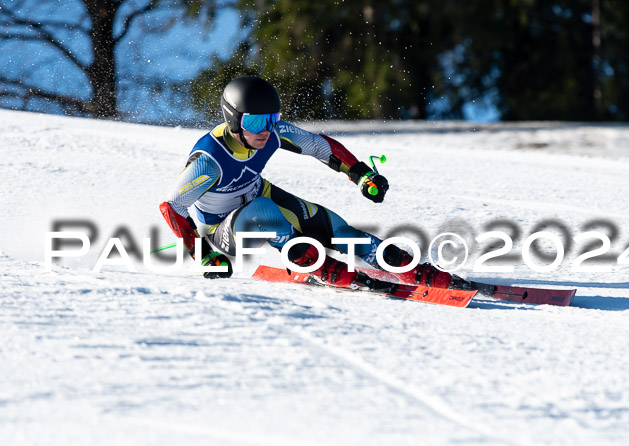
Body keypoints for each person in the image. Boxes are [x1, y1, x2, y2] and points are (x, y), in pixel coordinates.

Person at [159, 75, 472, 290]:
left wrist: (362, 175)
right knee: (264, 210)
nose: (265, 129)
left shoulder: (272, 133)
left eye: (272, 118)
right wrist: (204, 256)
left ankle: (409, 268)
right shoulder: (209, 160)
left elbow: (322, 147)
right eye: (255, 121)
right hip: (223, 231)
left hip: (259, 196)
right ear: (233, 120)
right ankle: (320, 267)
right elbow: (172, 207)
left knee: (337, 228)